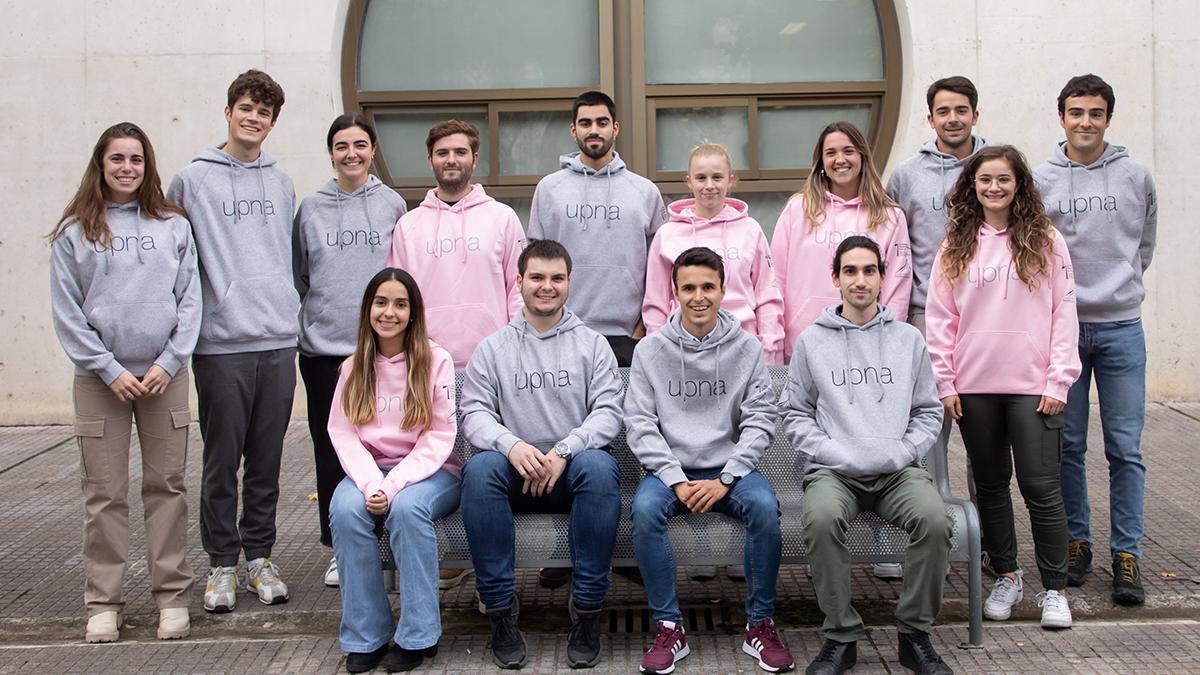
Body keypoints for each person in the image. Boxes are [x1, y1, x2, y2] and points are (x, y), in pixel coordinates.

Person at [50, 122, 200, 643]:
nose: (127, 168)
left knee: (167, 488)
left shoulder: (173, 226)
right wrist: (108, 368)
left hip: (164, 377)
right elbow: (67, 312)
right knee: (103, 494)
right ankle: (103, 604)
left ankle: (171, 598)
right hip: (99, 381)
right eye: (117, 159)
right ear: (101, 164)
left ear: (147, 165)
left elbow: (190, 300)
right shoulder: (75, 231)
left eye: (136, 159)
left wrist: (170, 361)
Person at [782, 236, 952, 675]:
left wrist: (904, 451)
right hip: (834, 472)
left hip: (897, 471)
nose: (861, 280)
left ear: (882, 276)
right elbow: (795, 412)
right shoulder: (812, 341)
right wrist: (831, 451)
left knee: (934, 520)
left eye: (869, 270)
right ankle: (841, 637)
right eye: (851, 271)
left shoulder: (908, 339)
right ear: (836, 278)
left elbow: (928, 410)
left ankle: (914, 635)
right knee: (820, 519)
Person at [927, 145, 1081, 630]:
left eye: (1004, 180)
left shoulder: (1047, 240)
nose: (994, 188)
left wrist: (1059, 378)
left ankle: (1054, 589)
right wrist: (945, 381)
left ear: (1020, 185)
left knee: (1041, 487)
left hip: (1034, 386)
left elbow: (1064, 314)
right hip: (975, 386)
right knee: (990, 486)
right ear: (971, 187)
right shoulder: (956, 243)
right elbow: (941, 318)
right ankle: (1009, 576)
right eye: (984, 180)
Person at [626, 247, 793, 674]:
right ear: (674, 292)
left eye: (707, 287)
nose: (698, 297)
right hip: (670, 472)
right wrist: (676, 480)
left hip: (730, 471)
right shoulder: (650, 351)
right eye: (688, 288)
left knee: (764, 508)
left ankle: (760, 624)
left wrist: (727, 477)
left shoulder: (747, 348)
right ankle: (668, 627)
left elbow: (760, 421)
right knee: (644, 510)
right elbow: (640, 424)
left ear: (723, 290)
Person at [167, 69, 297, 612]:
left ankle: (259, 558)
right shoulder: (191, 180)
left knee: (266, 462)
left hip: (278, 341)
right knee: (223, 461)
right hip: (221, 344)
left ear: (272, 121)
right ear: (228, 112)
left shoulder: (282, 181)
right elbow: (175, 255)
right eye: (246, 107)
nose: (253, 118)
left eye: (264, 112)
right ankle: (221, 564)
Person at [459, 239, 624, 669]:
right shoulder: (493, 348)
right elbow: (474, 413)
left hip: (570, 473)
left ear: (569, 282)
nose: (546, 287)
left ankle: (586, 612)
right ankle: (500, 614)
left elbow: (609, 412)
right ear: (519, 282)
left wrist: (564, 451)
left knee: (601, 467)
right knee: (479, 471)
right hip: (516, 472)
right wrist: (512, 446)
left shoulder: (592, 344)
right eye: (537, 277)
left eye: (556, 278)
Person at [1034, 74, 1157, 605]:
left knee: (1125, 450)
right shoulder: (1040, 180)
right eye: (1076, 112)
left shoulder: (1135, 177)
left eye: (1096, 113)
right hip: (1064, 330)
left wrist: (1119, 288)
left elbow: (1144, 244)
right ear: (1061, 117)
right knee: (1070, 446)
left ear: (1109, 118)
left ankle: (1126, 553)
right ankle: (1078, 541)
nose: (1086, 122)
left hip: (1122, 328)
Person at [326, 267, 459, 673]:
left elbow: (440, 435)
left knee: (407, 510)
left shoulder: (436, 360)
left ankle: (419, 635)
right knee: (346, 510)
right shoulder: (352, 367)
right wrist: (370, 484)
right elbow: (343, 433)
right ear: (368, 310)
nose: (390, 312)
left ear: (413, 312)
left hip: (432, 472)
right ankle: (367, 635)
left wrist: (395, 483)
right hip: (371, 471)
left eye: (400, 304)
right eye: (381, 303)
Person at [293, 114, 407, 588]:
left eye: (360, 145)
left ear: (373, 150)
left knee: (387, 446)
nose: (352, 154)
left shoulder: (393, 205)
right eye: (342, 146)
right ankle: (340, 546)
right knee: (332, 450)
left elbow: (401, 272)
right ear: (331, 153)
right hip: (324, 351)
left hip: (379, 350)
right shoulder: (311, 208)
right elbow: (301, 275)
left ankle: (389, 537)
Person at [886, 76, 990, 579]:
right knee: (928, 434)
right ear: (930, 118)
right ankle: (928, 538)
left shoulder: (997, 169)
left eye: (962, 110)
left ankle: (985, 542)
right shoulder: (906, 175)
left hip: (989, 321)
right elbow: (891, 244)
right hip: (927, 316)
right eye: (943, 110)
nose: (953, 118)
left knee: (985, 438)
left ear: (975, 114)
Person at [528, 90, 668, 367]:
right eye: (585, 123)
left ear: (615, 128)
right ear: (573, 130)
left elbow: (660, 269)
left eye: (602, 122)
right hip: (562, 331)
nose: (594, 130)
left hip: (628, 336)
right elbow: (533, 263)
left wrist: (644, 326)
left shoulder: (645, 191)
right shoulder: (549, 190)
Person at [770, 121, 912, 365]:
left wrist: (887, 341)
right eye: (831, 153)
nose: (840, 159)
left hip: (867, 347)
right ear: (821, 161)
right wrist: (776, 340)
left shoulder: (890, 216)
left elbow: (897, 289)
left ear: (862, 156)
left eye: (848, 151)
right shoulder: (798, 209)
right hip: (805, 343)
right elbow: (775, 280)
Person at [642, 141, 784, 365]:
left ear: (731, 180)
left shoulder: (750, 230)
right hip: (682, 350)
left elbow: (767, 297)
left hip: (742, 348)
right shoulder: (667, 234)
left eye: (717, 177)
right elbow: (656, 303)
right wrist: (658, 353)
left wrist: (769, 352)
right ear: (689, 182)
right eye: (701, 178)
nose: (709, 185)